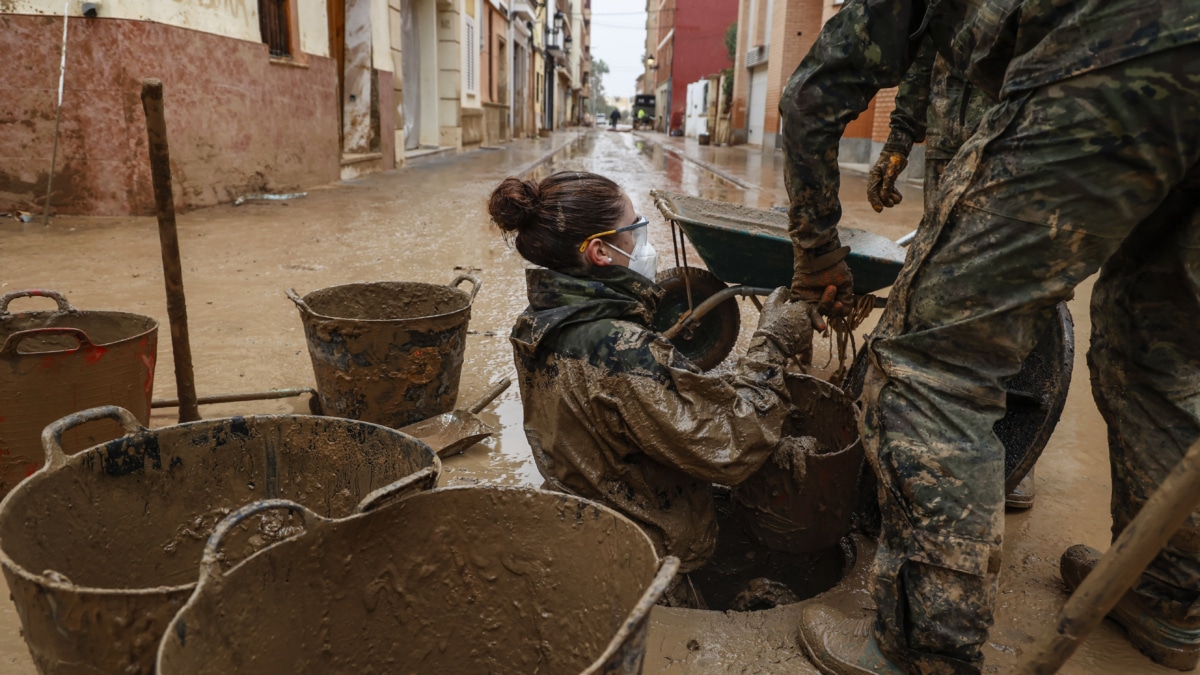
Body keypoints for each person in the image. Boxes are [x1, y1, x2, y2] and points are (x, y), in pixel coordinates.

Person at [778, 1, 1200, 673]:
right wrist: (903, 133)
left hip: (1115, 46)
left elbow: (814, 90)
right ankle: (1167, 595)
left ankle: (924, 646)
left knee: (934, 359)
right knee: (1160, 350)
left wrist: (814, 248)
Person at [488, 170, 815, 580]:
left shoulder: (534, 321)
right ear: (600, 253)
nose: (646, 245)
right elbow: (732, 446)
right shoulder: (624, 353)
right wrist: (773, 342)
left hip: (584, 513)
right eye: (635, 230)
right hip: (647, 551)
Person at [866, 38, 1037, 511]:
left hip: (1018, 145)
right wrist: (900, 138)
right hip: (948, 148)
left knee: (1012, 294)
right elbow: (925, 52)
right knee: (937, 285)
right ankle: (930, 434)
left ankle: (1011, 443)